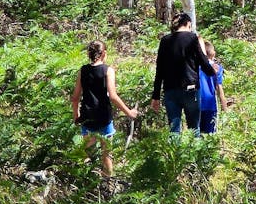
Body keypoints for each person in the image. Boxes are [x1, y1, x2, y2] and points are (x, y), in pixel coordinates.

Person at [72, 40, 138, 177]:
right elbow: (113, 96)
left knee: (87, 154)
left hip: (87, 118)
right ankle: (107, 182)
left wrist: (76, 115)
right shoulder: (108, 71)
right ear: (104, 54)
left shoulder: (82, 71)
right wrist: (129, 112)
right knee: (107, 154)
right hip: (104, 118)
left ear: (88, 54)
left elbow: (75, 97)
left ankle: (84, 182)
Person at [151, 11, 217, 136]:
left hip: (170, 90)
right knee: (194, 129)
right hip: (190, 89)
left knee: (174, 130)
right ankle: (195, 155)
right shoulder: (192, 38)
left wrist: (156, 96)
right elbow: (202, 60)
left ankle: (175, 155)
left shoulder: (165, 40)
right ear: (188, 24)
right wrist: (212, 71)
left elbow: (159, 70)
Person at [199, 41, 227, 134]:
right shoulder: (217, 68)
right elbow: (219, 89)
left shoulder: (195, 67)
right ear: (213, 53)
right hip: (210, 106)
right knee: (210, 136)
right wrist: (224, 107)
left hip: (196, 105)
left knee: (196, 136)